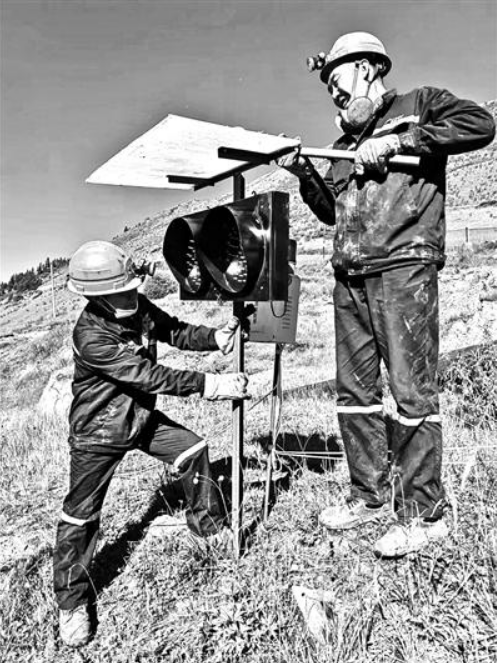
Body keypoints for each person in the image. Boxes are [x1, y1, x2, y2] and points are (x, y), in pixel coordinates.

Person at [278, 32, 495, 558]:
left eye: (337, 78)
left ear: (369, 66)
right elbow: (330, 210)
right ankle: (368, 494)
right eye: (327, 85)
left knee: (410, 392)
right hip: (349, 275)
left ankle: (423, 514)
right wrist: (303, 171)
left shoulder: (419, 104)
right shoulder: (344, 147)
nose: (333, 90)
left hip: (404, 267)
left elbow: (481, 125)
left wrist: (401, 142)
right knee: (354, 394)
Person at [54, 240, 250, 648]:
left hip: (140, 419)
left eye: (133, 286)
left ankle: (209, 528)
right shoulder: (90, 336)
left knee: (193, 451)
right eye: (123, 290)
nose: (132, 294)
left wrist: (214, 337)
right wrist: (210, 385)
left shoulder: (138, 307)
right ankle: (72, 603)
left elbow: (173, 329)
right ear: (97, 296)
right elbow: (149, 376)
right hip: (99, 432)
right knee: (81, 516)